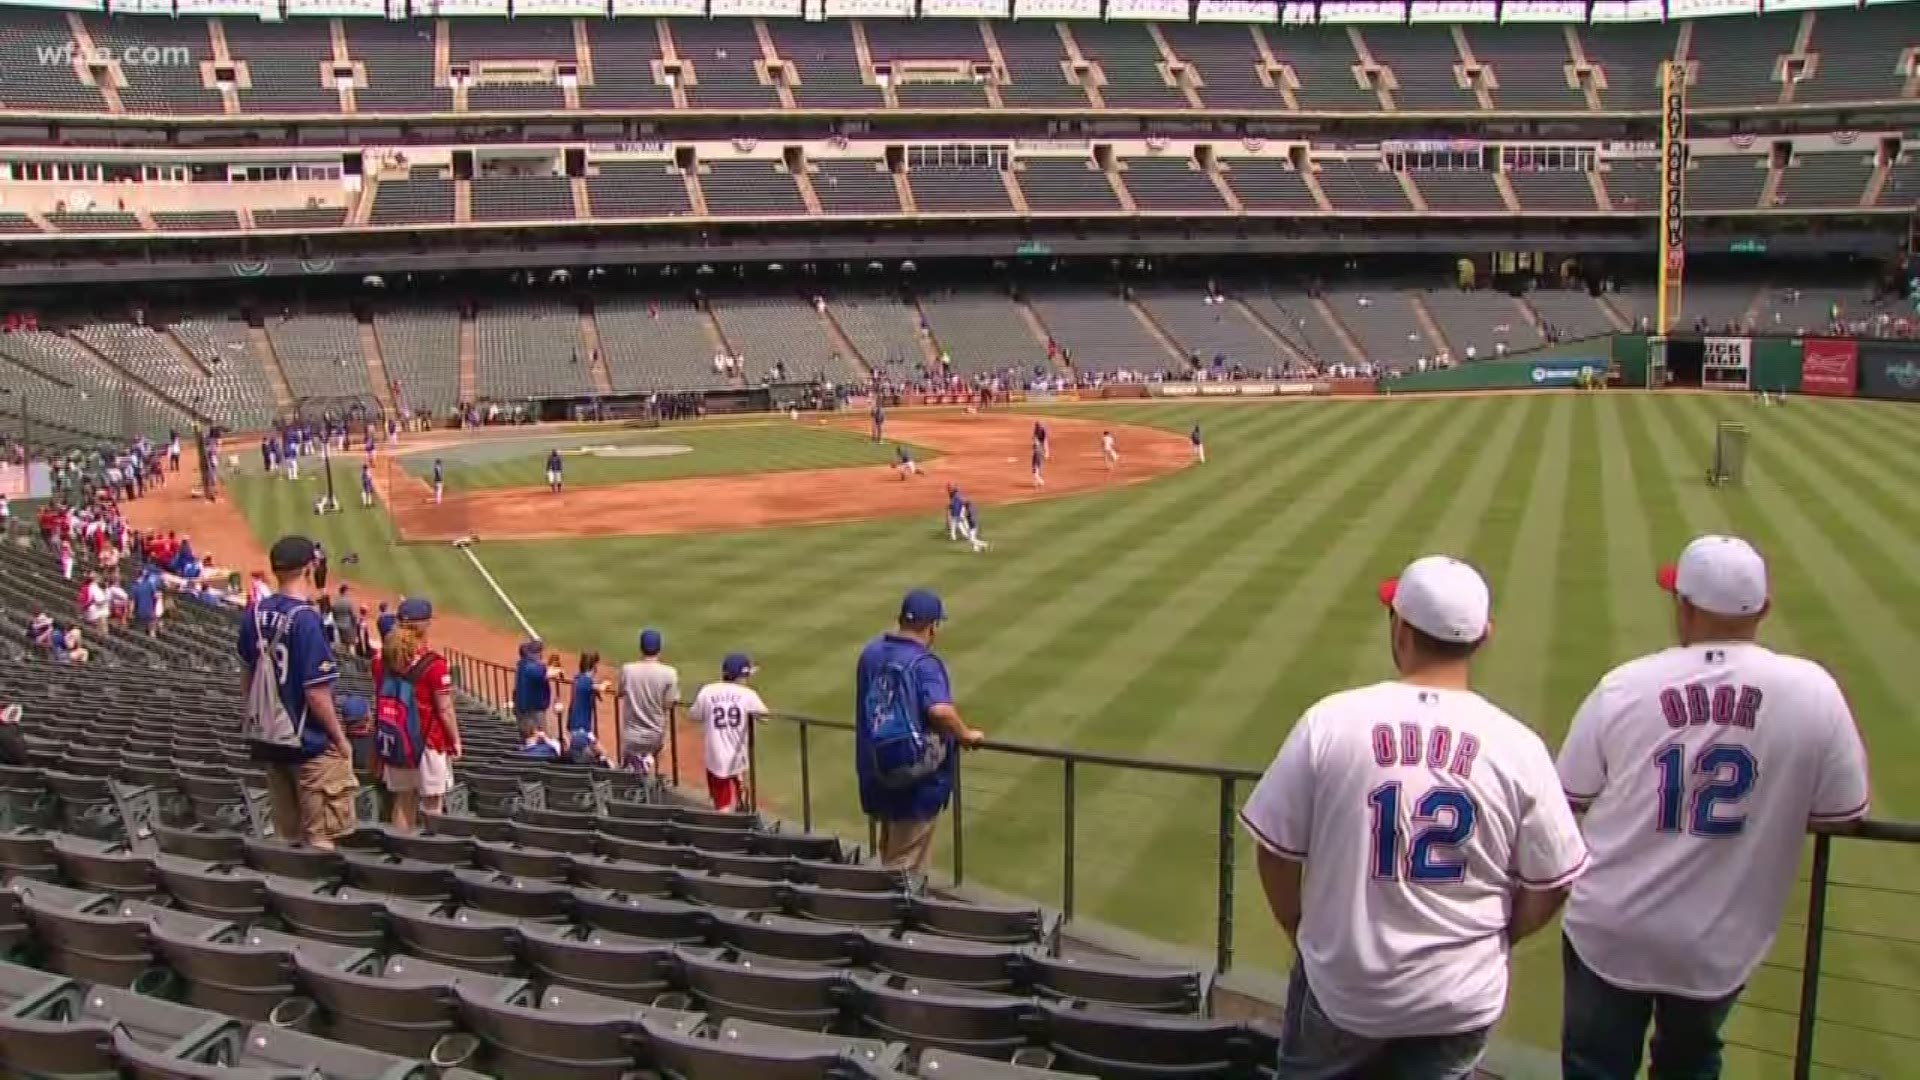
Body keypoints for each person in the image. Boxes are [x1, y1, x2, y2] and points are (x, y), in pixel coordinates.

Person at [1239, 556, 1587, 1079]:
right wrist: (1502, 936)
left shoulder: (1331, 722)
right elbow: (1555, 880)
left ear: (1399, 627)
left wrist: (1300, 929)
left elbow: (1275, 850)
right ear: (1484, 636)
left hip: (1343, 985)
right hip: (1459, 995)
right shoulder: (1518, 746)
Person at [1556, 536, 1871, 1080]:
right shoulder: (1812, 690)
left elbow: (1571, 794)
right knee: (1693, 1060)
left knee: (1595, 1067)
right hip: (1719, 940)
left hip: (1612, 928)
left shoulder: (1625, 685)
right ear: (1764, 609)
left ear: (1683, 607)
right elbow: (1843, 812)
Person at [854, 589, 984, 872]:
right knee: (903, 869)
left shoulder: (870, 654)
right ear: (932, 626)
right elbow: (939, 710)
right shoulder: (924, 663)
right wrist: (964, 735)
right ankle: (885, 913)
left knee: (891, 849)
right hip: (916, 780)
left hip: (875, 768)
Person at [237, 535, 353, 849]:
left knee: (288, 834)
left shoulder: (255, 613)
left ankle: (293, 892)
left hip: (270, 738)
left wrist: (258, 717)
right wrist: (341, 740)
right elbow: (316, 693)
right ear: (308, 568)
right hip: (308, 741)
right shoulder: (306, 619)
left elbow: (247, 673)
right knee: (321, 835)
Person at [374, 596, 459, 831]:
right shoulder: (434, 664)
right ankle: (431, 855)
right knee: (433, 803)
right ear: (423, 625)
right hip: (429, 741)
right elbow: (444, 708)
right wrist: (455, 739)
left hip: (396, 737)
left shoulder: (381, 660)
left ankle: (402, 852)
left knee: (403, 800)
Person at [690, 653, 767, 812]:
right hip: (737, 757)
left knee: (721, 800)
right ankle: (734, 827)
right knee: (735, 796)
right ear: (742, 675)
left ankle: (731, 816)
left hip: (715, 757)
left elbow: (694, 715)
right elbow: (765, 717)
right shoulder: (748, 694)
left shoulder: (708, 690)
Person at [617, 630, 679, 775]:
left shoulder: (628, 670)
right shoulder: (670, 673)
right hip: (655, 735)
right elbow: (668, 704)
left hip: (631, 734)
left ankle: (638, 767)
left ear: (641, 647)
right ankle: (649, 766)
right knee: (661, 746)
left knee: (630, 767)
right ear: (659, 648)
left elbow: (619, 693)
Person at [513, 638, 554, 736]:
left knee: (526, 737)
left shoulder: (522, 664)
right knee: (538, 738)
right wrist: (554, 671)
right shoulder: (531, 667)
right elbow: (542, 674)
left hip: (523, 708)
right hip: (533, 710)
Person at [567, 651, 604, 747]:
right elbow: (600, 688)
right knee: (595, 751)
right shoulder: (586, 681)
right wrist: (604, 685)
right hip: (580, 727)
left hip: (576, 724)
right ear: (593, 664)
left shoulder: (578, 678)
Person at [329, 585, 356, 650]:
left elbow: (334, 614)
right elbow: (352, 615)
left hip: (338, 626)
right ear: (345, 591)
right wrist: (354, 625)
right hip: (347, 626)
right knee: (348, 645)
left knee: (341, 644)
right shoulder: (348, 602)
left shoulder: (335, 602)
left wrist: (337, 622)